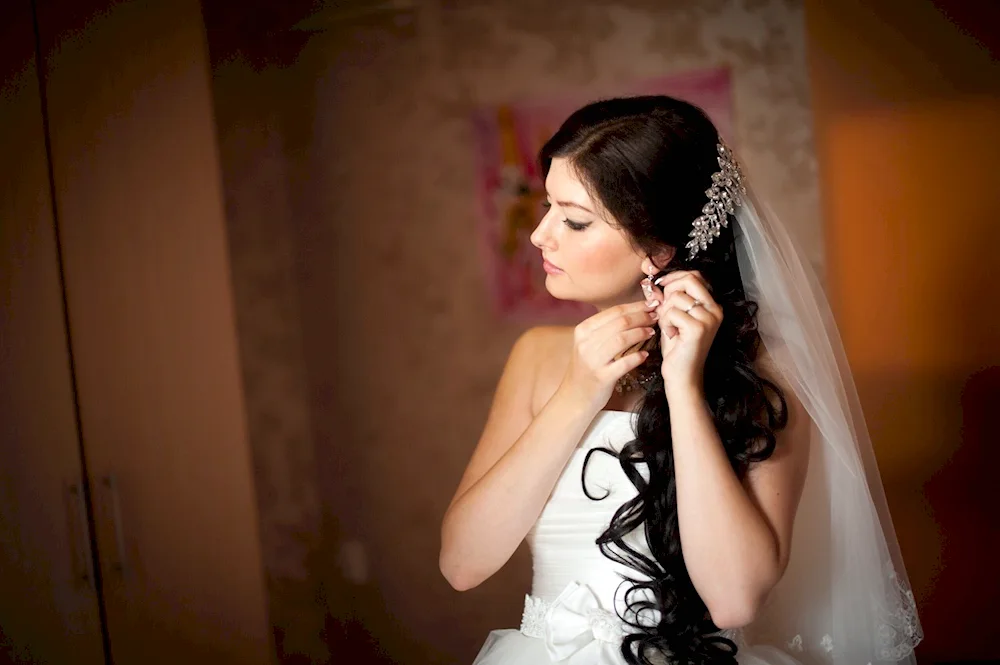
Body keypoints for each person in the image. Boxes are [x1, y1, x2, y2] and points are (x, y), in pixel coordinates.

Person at [439, 96, 923, 665]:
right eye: (548, 206)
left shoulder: (764, 378)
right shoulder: (540, 357)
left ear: (659, 250)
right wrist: (577, 392)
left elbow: (736, 599)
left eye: (574, 220)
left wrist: (684, 388)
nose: (540, 235)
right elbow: (462, 564)